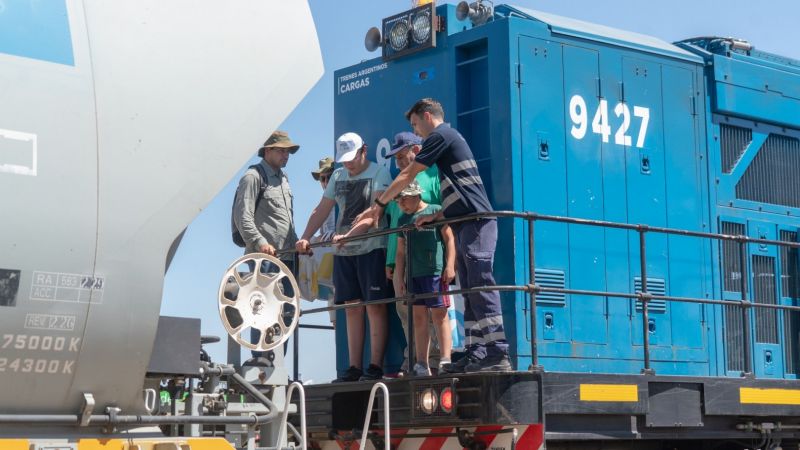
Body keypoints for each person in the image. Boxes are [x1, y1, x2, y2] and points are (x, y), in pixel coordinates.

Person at [356, 98, 511, 373]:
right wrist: (437, 216)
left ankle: (498, 352)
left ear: (427, 116)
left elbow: (408, 174)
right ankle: (477, 351)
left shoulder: (441, 135)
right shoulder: (445, 143)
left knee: (481, 284)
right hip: (464, 223)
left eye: (416, 125)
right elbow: (461, 191)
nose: (417, 133)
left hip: (477, 223)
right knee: (469, 289)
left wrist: (378, 206)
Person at [296, 132, 392, 381]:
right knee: (350, 307)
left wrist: (348, 234)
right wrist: (305, 236)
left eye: (352, 158)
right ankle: (353, 367)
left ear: (364, 150)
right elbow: (322, 209)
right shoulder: (337, 176)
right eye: (344, 159)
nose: (347, 164)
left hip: (371, 247)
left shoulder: (379, 173)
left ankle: (375, 366)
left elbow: (374, 215)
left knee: (375, 306)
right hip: (343, 251)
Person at [233, 130, 300, 362]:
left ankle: (278, 363)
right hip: (265, 259)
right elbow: (243, 217)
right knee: (261, 308)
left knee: (287, 313)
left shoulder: (283, 178)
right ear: (268, 150)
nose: (286, 155)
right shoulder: (253, 176)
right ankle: (262, 357)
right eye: (281, 150)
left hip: (288, 258)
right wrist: (262, 243)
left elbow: (286, 221)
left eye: (287, 151)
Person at [384, 132, 443, 374]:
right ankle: (414, 360)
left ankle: (436, 360)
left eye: (401, 155)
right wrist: (391, 262)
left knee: (433, 311)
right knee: (405, 310)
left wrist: (449, 260)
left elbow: (444, 215)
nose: (398, 162)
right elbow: (394, 224)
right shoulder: (397, 182)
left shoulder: (433, 175)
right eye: (395, 158)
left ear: (416, 151)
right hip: (402, 258)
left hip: (429, 258)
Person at [393, 181, 455, 376]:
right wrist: (399, 277)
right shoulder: (403, 220)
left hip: (435, 272)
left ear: (417, 195)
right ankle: (422, 362)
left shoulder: (435, 210)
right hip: (413, 274)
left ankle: (445, 359)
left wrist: (450, 265)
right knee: (418, 318)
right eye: (398, 200)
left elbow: (449, 238)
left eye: (404, 198)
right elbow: (400, 253)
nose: (401, 203)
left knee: (439, 315)